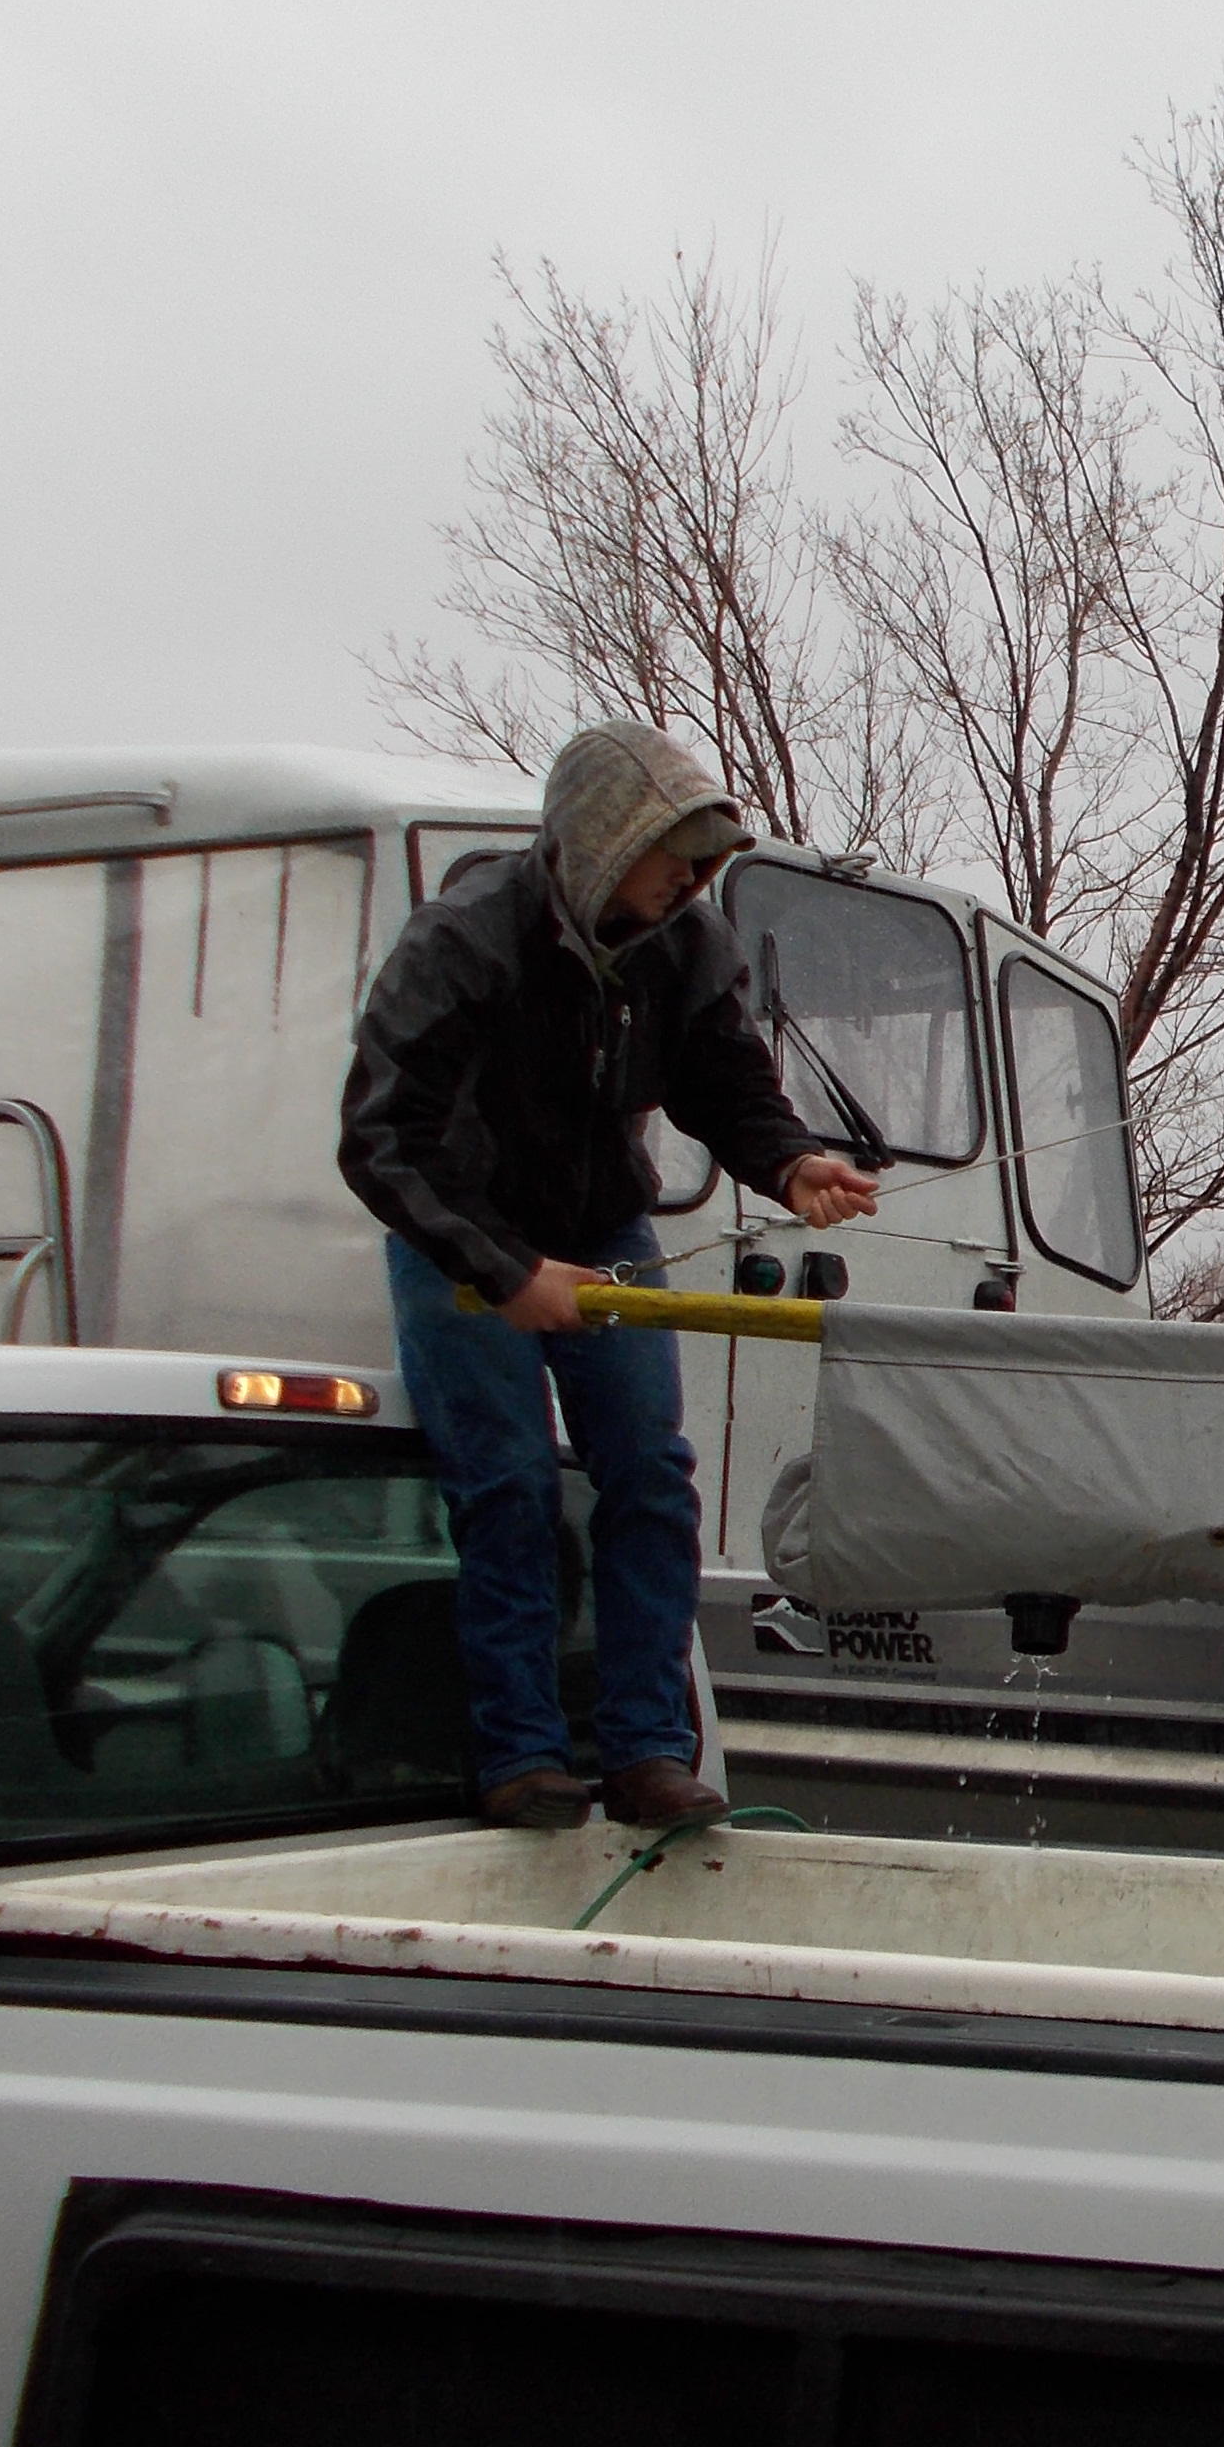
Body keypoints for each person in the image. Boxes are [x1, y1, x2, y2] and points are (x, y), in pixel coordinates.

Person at [340, 719, 878, 1833]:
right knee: (511, 1486)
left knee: (648, 1478)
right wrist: (502, 1271)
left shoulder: (689, 946)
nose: (691, 878)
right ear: (600, 843)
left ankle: (644, 1753)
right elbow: (380, 1135)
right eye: (673, 852)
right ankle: (523, 1756)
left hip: (604, 1225)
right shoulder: (465, 941)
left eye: (703, 859)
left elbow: (727, 1083)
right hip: (466, 1235)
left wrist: (790, 1160)